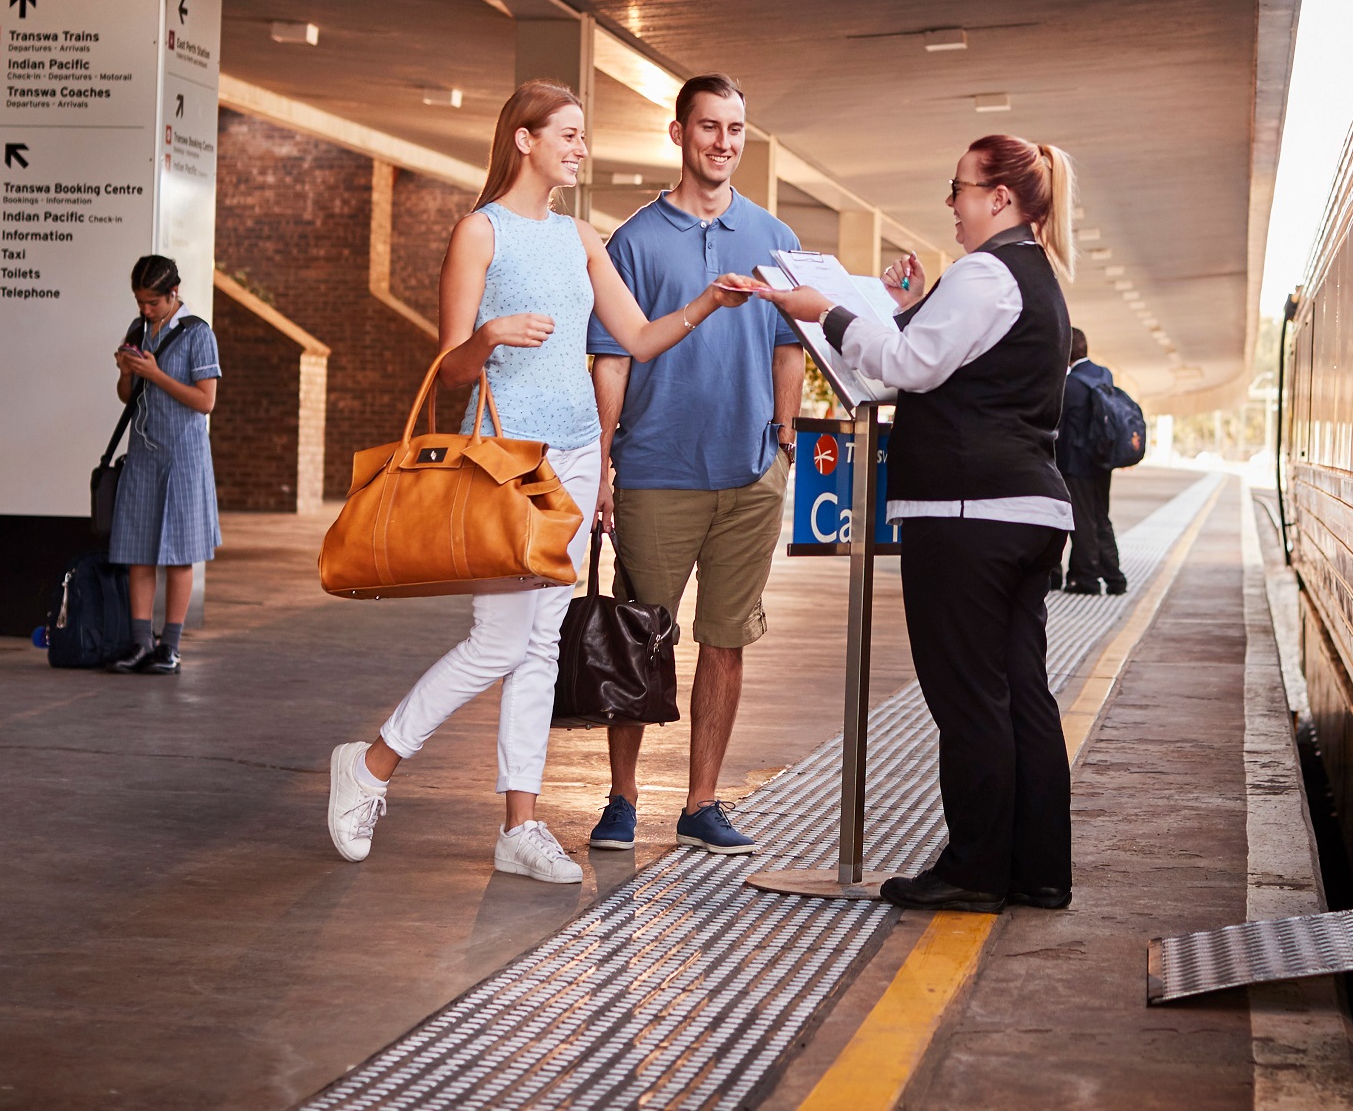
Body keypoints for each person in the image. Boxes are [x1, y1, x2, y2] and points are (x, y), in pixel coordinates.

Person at [326, 80, 759, 881]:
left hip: (575, 456)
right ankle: (372, 762)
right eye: (567, 134)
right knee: (499, 640)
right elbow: (451, 365)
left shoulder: (582, 239)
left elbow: (637, 336)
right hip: (505, 461)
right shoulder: (479, 233)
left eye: (583, 136)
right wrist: (488, 335)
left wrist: (705, 301)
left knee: (538, 651)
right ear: (523, 139)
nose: (581, 148)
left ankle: (518, 826)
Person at [759, 133, 1079, 914]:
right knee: (1019, 694)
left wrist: (826, 313)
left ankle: (974, 870)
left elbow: (907, 368)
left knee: (970, 697)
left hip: (967, 513)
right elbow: (946, 357)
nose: (953, 205)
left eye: (961, 189)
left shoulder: (985, 271)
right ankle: (1036, 869)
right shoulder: (1039, 277)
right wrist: (903, 311)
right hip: (1026, 511)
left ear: (1000, 198)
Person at [583, 74, 807, 857]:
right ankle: (620, 798)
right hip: (654, 472)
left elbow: (790, 347)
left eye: (736, 129)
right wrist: (604, 469)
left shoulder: (775, 238)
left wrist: (782, 439)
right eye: (709, 127)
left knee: (725, 640)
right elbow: (611, 361)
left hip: (749, 476)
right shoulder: (635, 241)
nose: (724, 142)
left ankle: (702, 802)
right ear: (678, 135)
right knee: (639, 638)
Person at [104, 254, 222, 676]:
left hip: (185, 459)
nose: (145, 310)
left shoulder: (197, 334)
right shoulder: (138, 330)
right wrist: (125, 372)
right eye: (140, 302)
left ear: (174, 294)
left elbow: (205, 402)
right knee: (138, 553)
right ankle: (140, 643)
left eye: (152, 303)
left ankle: (169, 647)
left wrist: (154, 374)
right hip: (143, 456)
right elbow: (127, 397)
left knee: (178, 555)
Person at [1055, 328, 1127, 595]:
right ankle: (1115, 577)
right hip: (1101, 461)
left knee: (1082, 521)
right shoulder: (1102, 374)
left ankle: (1085, 579)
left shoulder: (1070, 385)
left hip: (1077, 464)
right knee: (1100, 517)